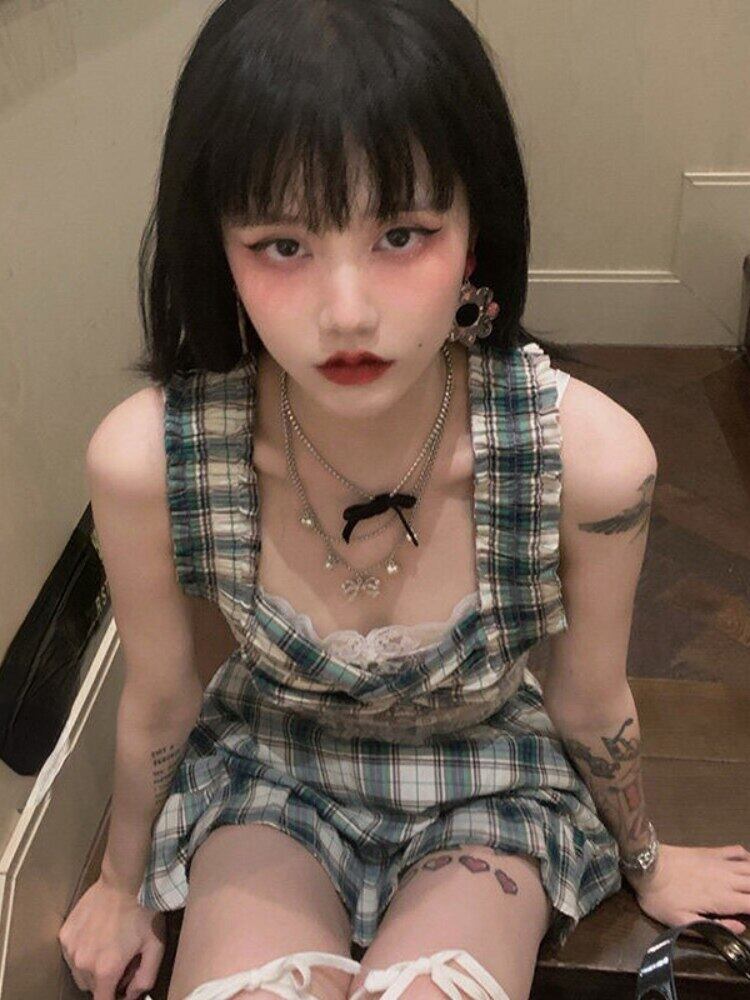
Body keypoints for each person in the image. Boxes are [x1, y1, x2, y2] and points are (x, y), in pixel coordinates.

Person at [57, 2, 750, 999]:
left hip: (490, 786)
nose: (347, 311)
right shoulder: (150, 460)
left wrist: (646, 857)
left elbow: (590, 695)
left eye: (401, 233)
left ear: (475, 234)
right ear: (219, 246)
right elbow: (161, 695)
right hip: (269, 776)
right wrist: (120, 884)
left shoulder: (589, 459)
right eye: (282, 244)